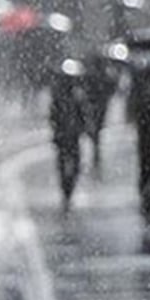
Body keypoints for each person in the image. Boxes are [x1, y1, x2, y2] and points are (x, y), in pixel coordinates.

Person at [49, 65, 87, 212]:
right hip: (65, 137)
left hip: (71, 136)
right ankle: (66, 190)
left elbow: (82, 114)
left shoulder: (76, 96)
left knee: (73, 164)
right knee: (66, 163)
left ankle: (68, 190)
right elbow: (53, 116)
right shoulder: (60, 96)